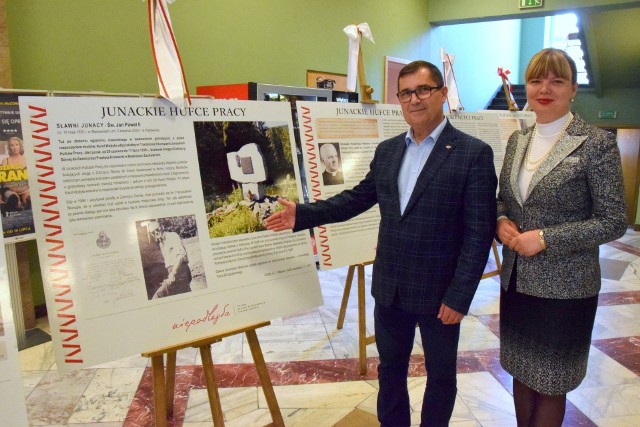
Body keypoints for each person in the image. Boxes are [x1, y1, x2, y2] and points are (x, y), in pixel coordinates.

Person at [266, 60, 497, 426]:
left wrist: (459, 295)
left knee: (440, 377)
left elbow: (478, 233)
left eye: (423, 90)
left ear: (442, 94)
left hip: (440, 294)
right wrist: (304, 214)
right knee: (390, 370)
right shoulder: (388, 151)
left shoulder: (473, 153)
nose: (414, 100)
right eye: (405, 93)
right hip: (390, 287)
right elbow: (356, 199)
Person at [496, 48, 627, 427]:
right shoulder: (517, 142)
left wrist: (547, 238)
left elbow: (613, 220)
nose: (545, 88)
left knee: (553, 382)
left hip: (567, 287)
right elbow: (504, 199)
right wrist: (502, 221)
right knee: (520, 370)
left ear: (573, 89)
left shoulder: (595, 143)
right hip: (518, 282)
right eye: (537, 80)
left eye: (557, 80)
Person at [147, 220, 192, 298]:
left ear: (162, 227)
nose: (156, 233)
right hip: (174, 274)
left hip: (180, 272)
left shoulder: (172, 236)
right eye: (153, 232)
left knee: (157, 296)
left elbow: (180, 256)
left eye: (157, 229)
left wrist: (172, 274)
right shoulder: (161, 243)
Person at [0, 136, 30, 212]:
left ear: (20, 146)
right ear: (9, 148)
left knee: (28, 200)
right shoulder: (5, 161)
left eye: (16, 144)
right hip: (10, 191)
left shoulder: (27, 159)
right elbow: (2, 181)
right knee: (14, 199)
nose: (15, 147)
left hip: (25, 190)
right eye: (12, 145)